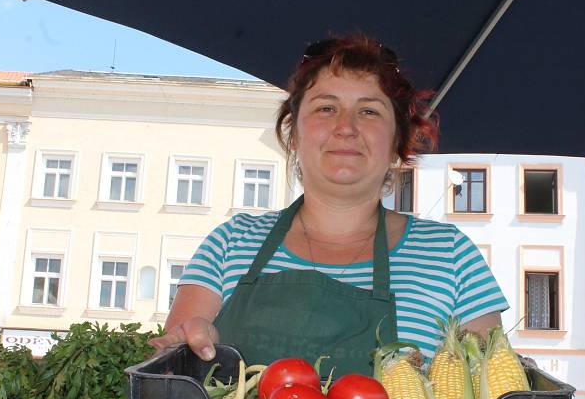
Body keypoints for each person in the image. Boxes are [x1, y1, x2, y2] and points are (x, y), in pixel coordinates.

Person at [150, 34, 508, 374]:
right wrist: (189, 350)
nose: (345, 127)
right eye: (326, 108)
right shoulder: (230, 243)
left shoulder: (451, 256)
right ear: (293, 133)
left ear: (399, 139)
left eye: (369, 112)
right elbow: (166, 388)